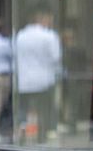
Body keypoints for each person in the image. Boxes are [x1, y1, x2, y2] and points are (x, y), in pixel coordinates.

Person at [14, 11, 62, 143]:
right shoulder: (49, 35)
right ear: (44, 18)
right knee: (43, 108)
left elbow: (15, 56)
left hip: (24, 80)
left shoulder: (20, 35)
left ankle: (21, 130)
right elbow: (56, 57)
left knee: (23, 108)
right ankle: (42, 133)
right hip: (43, 79)